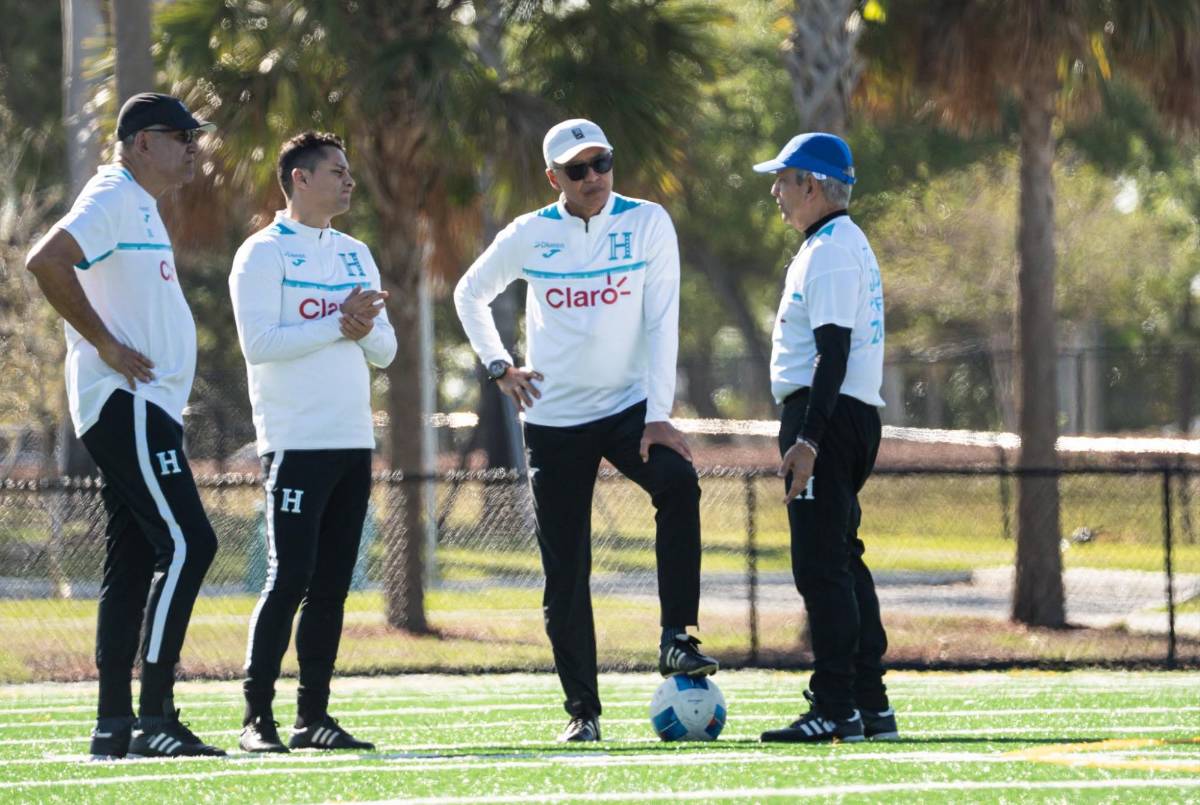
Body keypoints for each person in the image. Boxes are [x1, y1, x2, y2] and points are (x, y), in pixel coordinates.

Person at [453, 118, 719, 743]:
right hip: (555, 421)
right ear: (554, 179)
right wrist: (499, 367)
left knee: (678, 482)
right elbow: (469, 293)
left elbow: (663, 319)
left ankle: (677, 638)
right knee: (566, 570)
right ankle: (583, 712)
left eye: (602, 162)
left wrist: (658, 412)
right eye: (577, 170)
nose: (593, 177)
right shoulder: (529, 233)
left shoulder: (648, 222)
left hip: (631, 411)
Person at [24, 92, 225, 759]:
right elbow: (45, 259)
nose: (193, 147)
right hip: (128, 403)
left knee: (134, 558)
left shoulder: (140, 204)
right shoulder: (113, 194)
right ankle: (156, 714)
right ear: (142, 142)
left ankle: (114, 722)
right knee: (190, 543)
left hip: (145, 407)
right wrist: (106, 345)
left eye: (194, 136)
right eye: (180, 136)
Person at [229, 131, 395, 753]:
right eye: (337, 171)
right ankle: (256, 720)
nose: (349, 181)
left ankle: (313, 718)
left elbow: (386, 350)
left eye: (349, 171)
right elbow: (259, 345)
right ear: (300, 179)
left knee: (331, 585)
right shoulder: (261, 253)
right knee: (289, 577)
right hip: (295, 440)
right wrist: (338, 322)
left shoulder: (356, 254)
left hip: (352, 440)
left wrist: (361, 326)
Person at [752, 133, 899, 744]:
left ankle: (837, 706)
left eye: (783, 179)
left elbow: (832, 351)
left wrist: (809, 439)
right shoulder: (837, 243)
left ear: (810, 184)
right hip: (842, 415)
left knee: (820, 567)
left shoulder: (832, 249)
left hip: (826, 418)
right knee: (841, 558)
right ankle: (869, 702)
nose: (775, 191)